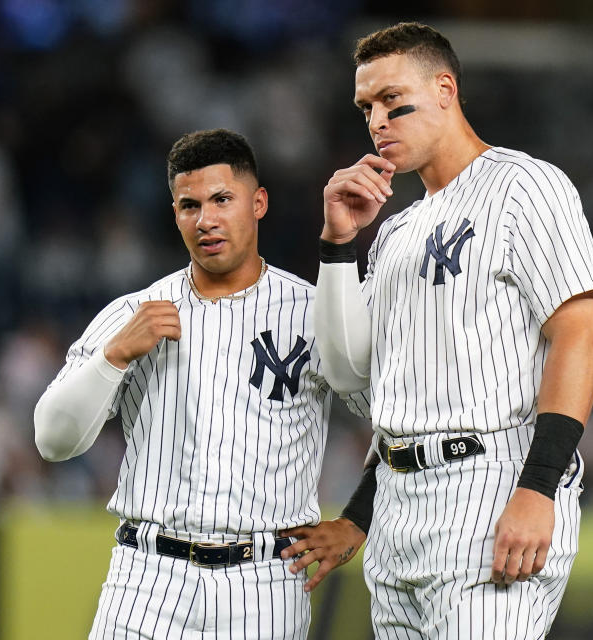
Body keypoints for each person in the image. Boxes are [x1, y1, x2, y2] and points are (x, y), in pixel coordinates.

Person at [301, 22, 593, 639]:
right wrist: (338, 246)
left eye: (392, 99)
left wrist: (538, 489)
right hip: (397, 510)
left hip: (493, 484)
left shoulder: (525, 184)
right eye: (366, 108)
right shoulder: (394, 232)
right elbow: (369, 387)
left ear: (445, 89)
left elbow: (581, 336)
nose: (377, 120)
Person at [33, 129, 358, 639]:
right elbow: (51, 440)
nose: (205, 219)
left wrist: (355, 520)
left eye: (221, 200)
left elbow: (399, 415)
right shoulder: (133, 313)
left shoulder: (316, 312)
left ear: (259, 202)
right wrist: (114, 355)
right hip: (148, 577)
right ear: (175, 214)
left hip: (265, 581)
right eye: (189, 205)